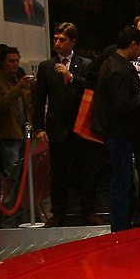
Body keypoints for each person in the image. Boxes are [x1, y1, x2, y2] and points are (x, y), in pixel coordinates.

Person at [91, 27, 140, 232]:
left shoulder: (114, 65)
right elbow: (122, 105)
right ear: (132, 44)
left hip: (118, 133)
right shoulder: (117, 70)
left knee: (123, 181)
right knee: (121, 183)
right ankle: (120, 228)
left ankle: (122, 225)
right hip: (118, 133)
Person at [32, 22, 98, 226]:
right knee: (59, 172)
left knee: (85, 171)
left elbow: (90, 87)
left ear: (73, 41)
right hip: (57, 127)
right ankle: (58, 211)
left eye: (62, 40)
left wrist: (70, 77)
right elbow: (39, 99)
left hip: (80, 127)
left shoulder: (86, 64)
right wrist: (38, 127)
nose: (57, 43)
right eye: (55, 39)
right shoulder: (46, 67)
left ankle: (88, 210)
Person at [0, 45, 33, 206]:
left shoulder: (17, 78)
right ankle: (11, 204)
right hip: (7, 133)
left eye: (17, 60)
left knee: (23, 172)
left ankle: (21, 204)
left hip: (22, 130)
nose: (15, 64)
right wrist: (17, 88)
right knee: (11, 171)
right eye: (11, 61)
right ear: (2, 62)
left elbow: (26, 103)